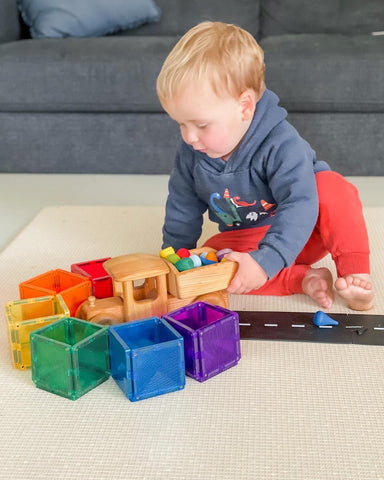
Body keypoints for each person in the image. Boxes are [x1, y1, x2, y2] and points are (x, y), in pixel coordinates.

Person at [156, 21, 374, 311]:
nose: (189, 136)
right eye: (180, 124)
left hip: (308, 227)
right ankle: (300, 279)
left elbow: (300, 204)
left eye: (201, 124)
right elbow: (182, 207)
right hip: (252, 236)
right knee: (211, 258)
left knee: (332, 187)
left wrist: (266, 261)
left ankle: (354, 274)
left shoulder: (281, 144)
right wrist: (173, 259)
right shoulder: (192, 151)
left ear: (245, 107)